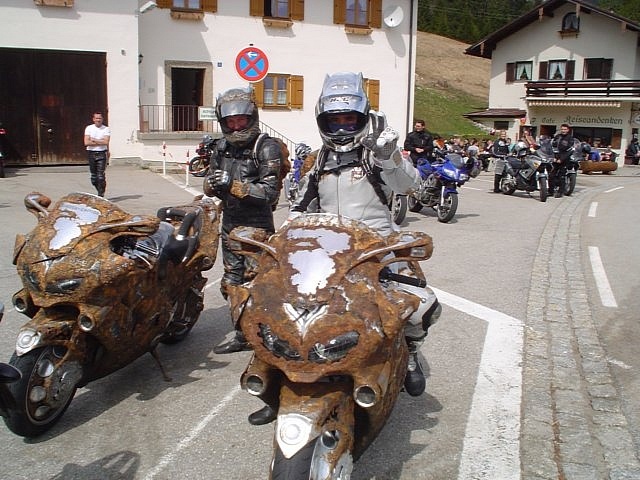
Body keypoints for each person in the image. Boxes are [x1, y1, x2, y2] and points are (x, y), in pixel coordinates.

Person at [243, 72, 440, 427]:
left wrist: (390, 156)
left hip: (376, 248)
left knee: (420, 305)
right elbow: (300, 206)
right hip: (326, 253)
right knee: (273, 309)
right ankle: (274, 387)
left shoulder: (376, 155)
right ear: (323, 120)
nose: (342, 127)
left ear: (363, 118)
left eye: (349, 119)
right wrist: (282, 239)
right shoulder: (317, 160)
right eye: (334, 120)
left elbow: (409, 186)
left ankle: (410, 353)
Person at [203, 86, 285, 357]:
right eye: (231, 122)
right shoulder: (221, 147)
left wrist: (234, 185)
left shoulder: (266, 147)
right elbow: (210, 182)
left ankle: (267, 335)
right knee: (231, 283)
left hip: (256, 228)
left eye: (241, 120)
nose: (236, 126)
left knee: (259, 284)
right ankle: (243, 334)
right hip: (230, 223)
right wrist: (212, 184)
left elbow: (269, 193)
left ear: (251, 117)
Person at [83, 112, 110, 197]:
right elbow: (86, 142)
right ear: (93, 119)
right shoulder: (89, 128)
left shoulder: (106, 129)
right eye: (96, 118)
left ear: (102, 119)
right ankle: (100, 188)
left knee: (100, 176)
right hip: (91, 153)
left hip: (102, 153)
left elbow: (106, 142)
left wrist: (94, 140)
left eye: (100, 118)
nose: (98, 120)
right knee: (94, 178)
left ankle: (100, 194)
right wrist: (100, 141)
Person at [550, 123, 574, 198]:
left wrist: (561, 159)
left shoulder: (570, 139)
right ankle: (550, 191)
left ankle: (560, 192)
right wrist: (553, 157)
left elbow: (569, 151)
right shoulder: (557, 137)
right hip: (555, 159)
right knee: (551, 175)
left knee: (561, 176)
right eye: (562, 129)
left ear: (568, 130)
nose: (563, 131)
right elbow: (552, 147)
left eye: (565, 129)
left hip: (564, 160)